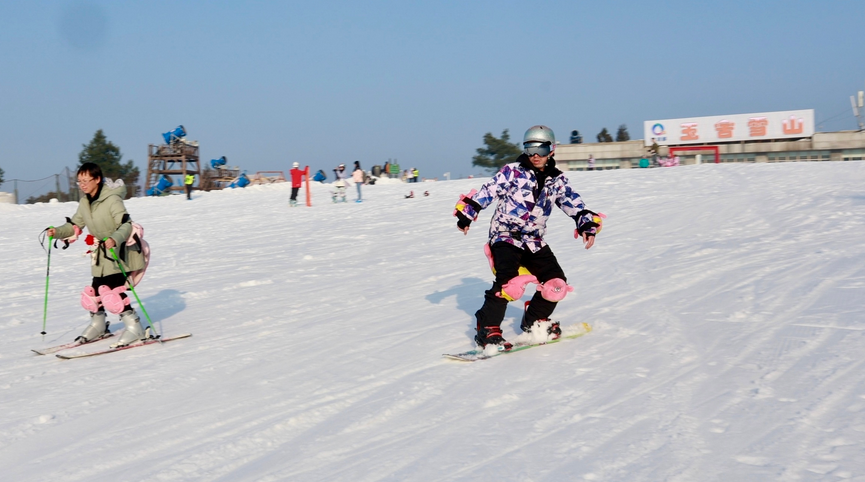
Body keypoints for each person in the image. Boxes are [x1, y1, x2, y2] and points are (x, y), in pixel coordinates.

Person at [453, 125, 601, 351]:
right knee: (508, 281)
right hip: (505, 235)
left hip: (534, 239)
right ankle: (488, 327)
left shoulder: (557, 180)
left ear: (551, 150)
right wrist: (467, 214)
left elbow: (574, 205)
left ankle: (534, 320)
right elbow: (488, 191)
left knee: (556, 283)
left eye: (540, 149)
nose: (535, 155)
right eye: (530, 148)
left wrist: (586, 225)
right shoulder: (512, 171)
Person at [45, 162, 148, 347]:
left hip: (120, 252)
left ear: (97, 179)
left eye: (86, 180)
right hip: (101, 255)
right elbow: (75, 225)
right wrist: (57, 232)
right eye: (79, 181)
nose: (82, 184)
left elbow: (126, 224)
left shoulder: (112, 199)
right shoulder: (84, 203)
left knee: (112, 294)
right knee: (94, 294)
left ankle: (135, 327)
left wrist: (115, 239)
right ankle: (98, 325)